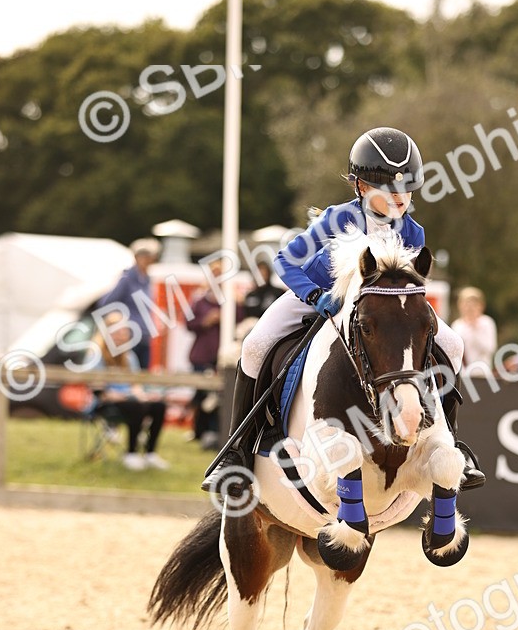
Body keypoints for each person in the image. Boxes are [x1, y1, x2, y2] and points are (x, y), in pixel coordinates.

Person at [202, 127, 486, 497]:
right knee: (255, 345)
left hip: (375, 315)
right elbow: (287, 261)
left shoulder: (414, 233)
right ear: (363, 188)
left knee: (454, 343)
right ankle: (236, 451)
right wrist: (314, 294)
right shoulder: (338, 219)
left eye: (408, 189)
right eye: (390, 190)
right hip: (320, 295)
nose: (401, 198)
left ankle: (451, 441)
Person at [90, 314, 169, 471]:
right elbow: (98, 390)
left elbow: (135, 385)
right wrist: (126, 396)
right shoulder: (96, 356)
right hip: (107, 403)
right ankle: (131, 453)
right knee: (135, 406)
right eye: (116, 333)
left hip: (129, 399)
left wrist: (144, 396)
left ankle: (150, 453)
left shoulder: (130, 356)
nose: (120, 336)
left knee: (158, 405)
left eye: (123, 332)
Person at [187, 258, 246, 450]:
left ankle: (214, 432)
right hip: (202, 354)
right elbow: (189, 323)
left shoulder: (233, 300)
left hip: (223, 356)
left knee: (219, 397)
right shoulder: (200, 299)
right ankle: (198, 430)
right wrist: (206, 321)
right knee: (201, 395)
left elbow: (241, 321)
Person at [96, 238, 161, 369]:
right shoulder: (127, 279)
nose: (148, 260)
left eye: (150, 256)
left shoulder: (147, 280)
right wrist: (121, 321)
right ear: (137, 257)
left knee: (143, 377)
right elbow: (105, 303)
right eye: (144, 256)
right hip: (129, 337)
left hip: (144, 336)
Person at [452, 287, 498, 371]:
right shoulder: (457, 325)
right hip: (463, 373)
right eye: (466, 304)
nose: (470, 308)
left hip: (482, 372)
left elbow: (490, 348)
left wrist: (475, 331)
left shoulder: (487, 323)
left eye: (474, 304)